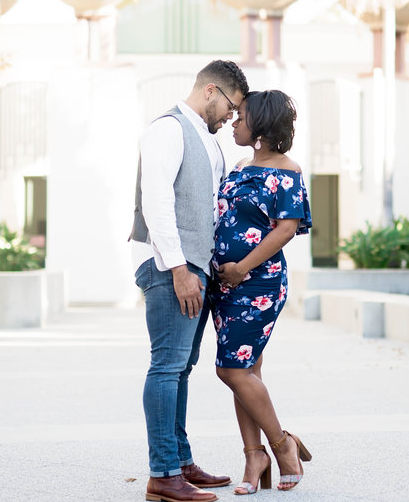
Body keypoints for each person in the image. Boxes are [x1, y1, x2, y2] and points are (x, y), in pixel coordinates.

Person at [130, 60, 250, 502]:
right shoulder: (168, 129)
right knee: (167, 365)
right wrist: (179, 268)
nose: (232, 117)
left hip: (193, 265)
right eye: (232, 107)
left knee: (181, 367)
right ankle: (163, 474)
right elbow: (157, 201)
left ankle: (179, 461)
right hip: (168, 266)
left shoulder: (207, 139)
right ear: (211, 90)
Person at [209, 90, 313, 495]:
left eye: (241, 117)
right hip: (225, 285)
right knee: (246, 373)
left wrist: (241, 269)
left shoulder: (288, 170)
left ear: (262, 126)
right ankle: (253, 457)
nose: (233, 122)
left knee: (230, 369)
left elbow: (286, 229)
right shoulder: (237, 166)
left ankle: (282, 445)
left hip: (259, 284)